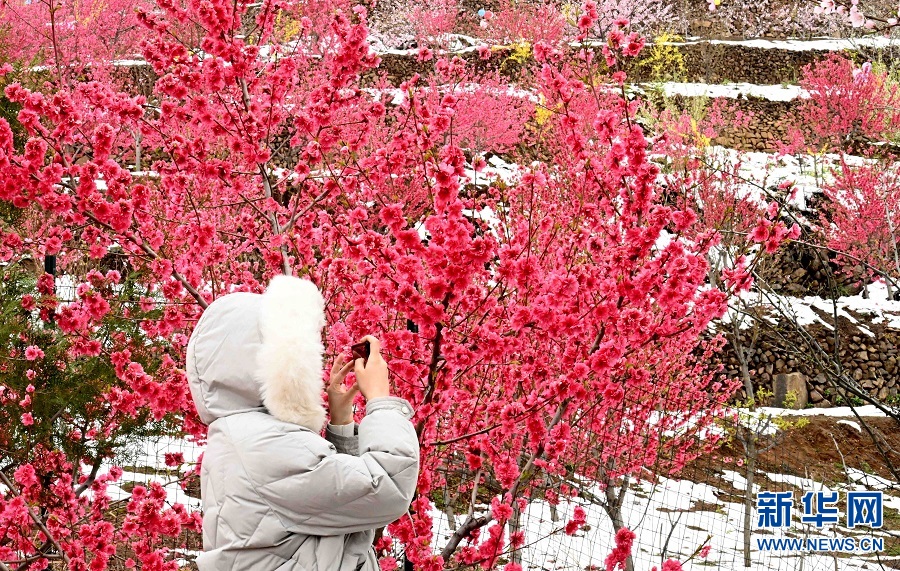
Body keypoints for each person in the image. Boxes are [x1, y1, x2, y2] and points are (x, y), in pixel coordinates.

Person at [186, 275, 420, 570]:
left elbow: (341, 504)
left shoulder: (245, 435)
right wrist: (380, 401)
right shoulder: (264, 445)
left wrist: (342, 423)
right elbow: (387, 488)